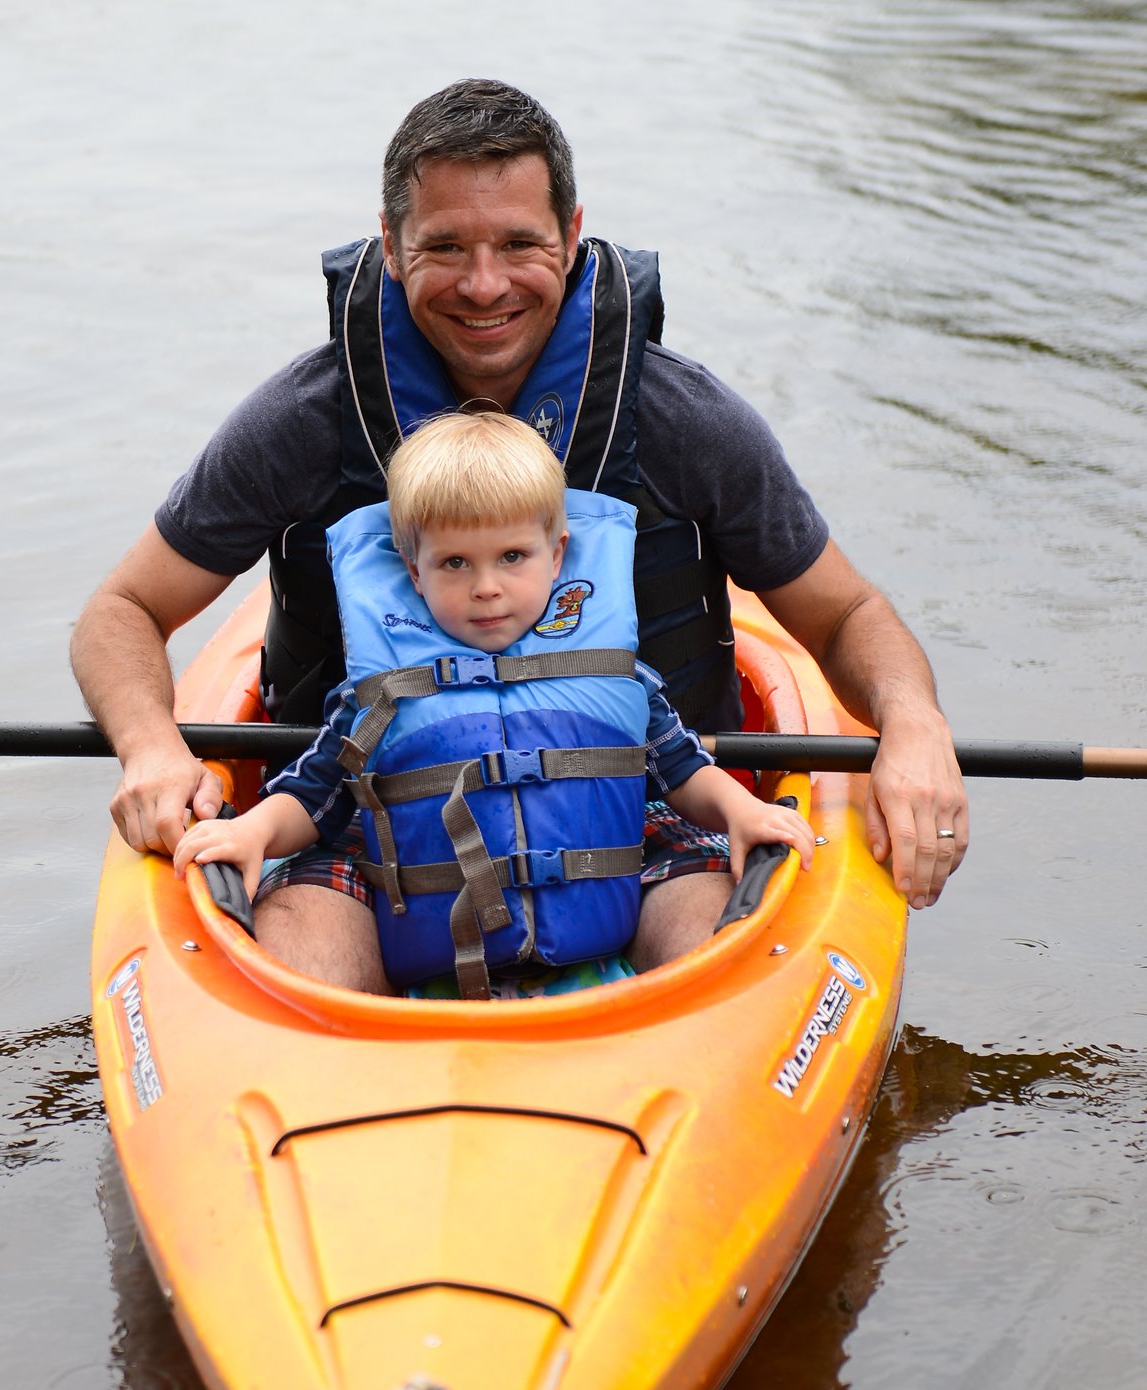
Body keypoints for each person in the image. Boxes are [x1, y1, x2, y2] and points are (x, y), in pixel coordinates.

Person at [71, 79, 967, 995]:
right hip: (364, 816)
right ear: (389, 246)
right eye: (445, 247)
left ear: (573, 236)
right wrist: (151, 746)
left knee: (720, 955)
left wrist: (913, 722)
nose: (485, 283)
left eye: (520, 244)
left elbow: (847, 612)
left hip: (648, 805)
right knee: (301, 965)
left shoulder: (680, 418)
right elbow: (122, 610)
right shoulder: (305, 421)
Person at [171, 411, 816, 996]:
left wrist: (741, 810)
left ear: (557, 554)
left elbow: (681, 771)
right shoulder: (377, 696)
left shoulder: (619, 678)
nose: (487, 588)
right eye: (454, 563)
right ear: (413, 571)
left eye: (512, 557)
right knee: (305, 904)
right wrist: (250, 831)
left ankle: (701, 1027)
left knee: (710, 900)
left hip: (609, 873)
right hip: (418, 892)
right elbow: (313, 797)